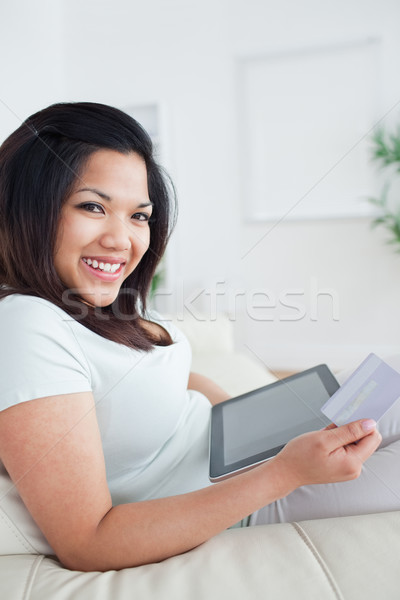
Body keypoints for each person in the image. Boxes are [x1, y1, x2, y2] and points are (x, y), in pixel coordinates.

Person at [0, 102, 396, 572]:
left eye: (138, 216)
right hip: (240, 501)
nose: (121, 239)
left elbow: (171, 374)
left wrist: (254, 419)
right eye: (93, 206)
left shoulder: (94, 305)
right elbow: (87, 543)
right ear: (26, 207)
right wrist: (284, 471)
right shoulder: (25, 325)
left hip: (256, 453)